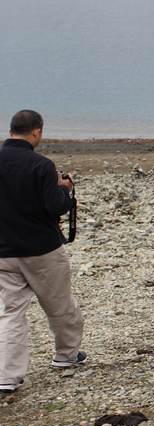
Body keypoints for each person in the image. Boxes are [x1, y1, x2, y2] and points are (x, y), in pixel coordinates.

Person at [0, 110, 85, 394]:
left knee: (11, 312)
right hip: (41, 248)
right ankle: (66, 355)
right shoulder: (42, 165)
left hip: (4, 250)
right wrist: (64, 189)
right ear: (36, 132)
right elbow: (55, 207)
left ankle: (7, 376)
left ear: (12, 130)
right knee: (59, 306)